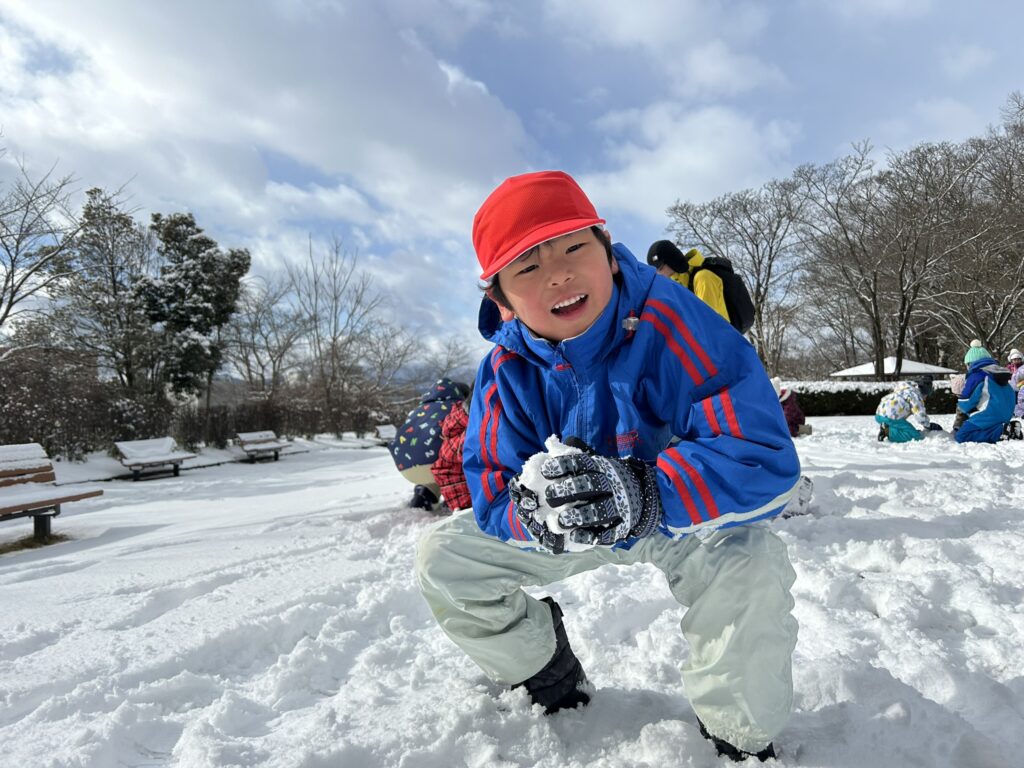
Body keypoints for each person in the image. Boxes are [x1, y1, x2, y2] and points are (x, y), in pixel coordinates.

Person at [415, 171, 800, 762]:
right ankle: (544, 669)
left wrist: (647, 492)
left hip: (673, 516)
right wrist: (535, 515)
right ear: (500, 299)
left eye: (573, 247)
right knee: (444, 558)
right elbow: (491, 489)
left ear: (608, 252)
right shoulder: (505, 370)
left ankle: (738, 733)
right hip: (576, 524)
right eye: (527, 267)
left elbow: (761, 452)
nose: (558, 274)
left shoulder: (674, 322)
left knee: (750, 564)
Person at [389, 378, 470, 511]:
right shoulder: (459, 406)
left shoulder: (418, 410)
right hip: (443, 465)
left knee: (430, 457)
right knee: (459, 453)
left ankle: (423, 494)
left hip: (407, 467)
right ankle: (454, 497)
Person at [646, 240, 730, 324]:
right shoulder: (676, 287)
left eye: (660, 269)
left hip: (721, 335)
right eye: (656, 271)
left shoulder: (703, 278)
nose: (659, 274)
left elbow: (706, 322)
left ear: (671, 261)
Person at [955, 340, 1015, 444]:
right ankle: (1005, 429)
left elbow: (966, 402)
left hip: (988, 415)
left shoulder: (977, 375)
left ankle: (1000, 432)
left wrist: (961, 401)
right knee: (981, 426)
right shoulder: (1000, 372)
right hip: (1006, 414)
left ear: (970, 363)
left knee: (962, 435)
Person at [429, 386, 473, 512]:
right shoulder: (468, 430)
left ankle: (423, 494)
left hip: (442, 474)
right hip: (460, 491)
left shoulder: (453, 416)